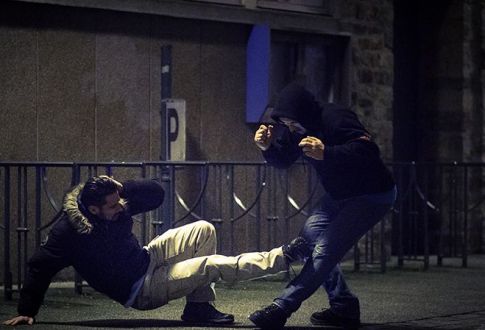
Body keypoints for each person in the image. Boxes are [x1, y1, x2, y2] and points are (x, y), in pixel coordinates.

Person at [3, 175, 310, 326]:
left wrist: (122, 187)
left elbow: (156, 194)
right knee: (209, 265)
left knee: (204, 229)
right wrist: (27, 311)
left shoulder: (115, 202)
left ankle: (198, 307)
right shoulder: (68, 232)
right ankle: (284, 256)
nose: (121, 207)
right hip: (141, 289)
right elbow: (39, 266)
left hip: (146, 257)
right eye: (113, 205)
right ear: (93, 209)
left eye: (120, 200)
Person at [249, 82, 396, 329]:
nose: (291, 129)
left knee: (324, 250)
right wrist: (267, 148)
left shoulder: (336, 117)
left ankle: (281, 308)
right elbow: (285, 159)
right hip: (338, 195)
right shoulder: (296, 127)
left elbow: (368, 153)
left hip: (372, 195)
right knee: (308, 240)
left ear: (303, 114)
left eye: (292, 124)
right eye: (286, 125)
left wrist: (327, 151)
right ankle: (344, 306)